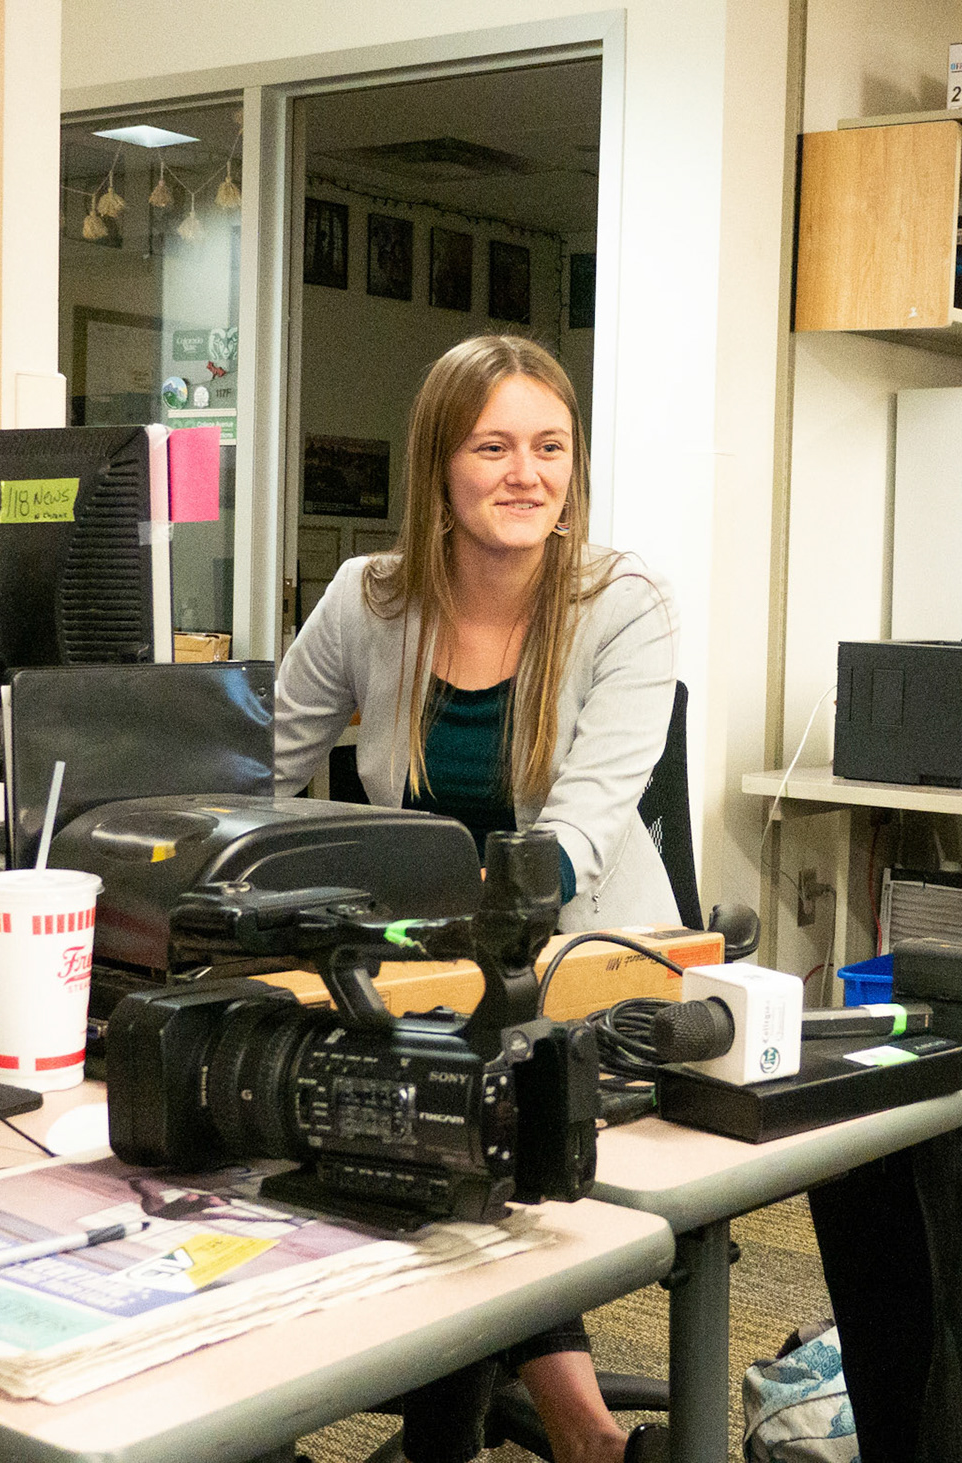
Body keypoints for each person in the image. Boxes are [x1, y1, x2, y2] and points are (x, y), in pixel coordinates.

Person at [275, 335, 675, 1463]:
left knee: (448, 1092)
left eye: (550, 447)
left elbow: (583, 831)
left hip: (592, 954)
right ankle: (566, 1426)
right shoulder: (371, 595)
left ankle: (555, 1426)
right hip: (427, 961)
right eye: (493, 445)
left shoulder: (625, 602)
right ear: (438, 467)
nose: (525, 473)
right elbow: (256, 767)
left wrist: (454, 961)